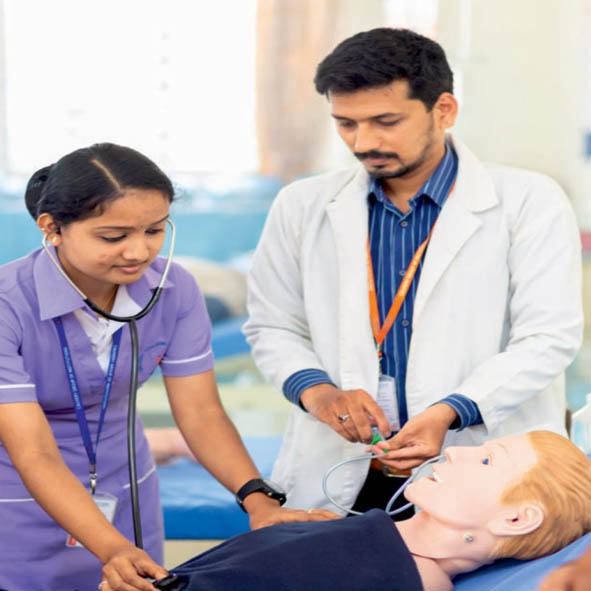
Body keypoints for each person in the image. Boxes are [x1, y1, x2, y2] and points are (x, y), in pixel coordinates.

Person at [0, 143, 336, 591]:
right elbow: (34, 452)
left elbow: (201, 413)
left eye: (155, 230)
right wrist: (112, 549)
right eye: (113, 236)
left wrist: (258, 501)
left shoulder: (173, 288)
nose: (139, 251)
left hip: (122, 490)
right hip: (10, 503)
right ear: (52, 228)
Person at [243, 27, 582, 516]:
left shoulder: (529, 201)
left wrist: (450, 410)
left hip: (482, 467)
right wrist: (318, 392)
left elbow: (548, 337)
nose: (364, 142)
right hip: (345, 471)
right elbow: (273, 326)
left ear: (444, 110)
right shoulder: (301, 205)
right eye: (346, 124)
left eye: (386, 121)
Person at [100, 430, 591, 591]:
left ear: (515, 519)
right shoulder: (376, 536)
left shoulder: (412, 576)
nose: (457, 451)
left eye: (486, 460)